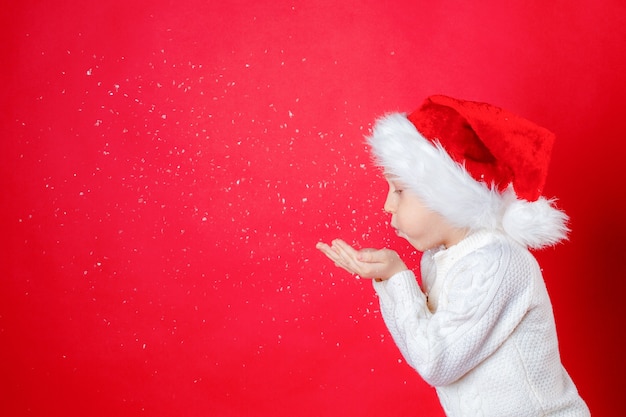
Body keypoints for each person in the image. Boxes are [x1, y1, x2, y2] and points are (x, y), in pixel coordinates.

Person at [316, 95, 590, 416]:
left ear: (444, 193)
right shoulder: (438, 259)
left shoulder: (495, 260)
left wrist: (397, 277)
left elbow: (436, 362)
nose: (387, 205)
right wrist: (388, 279)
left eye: (399, 191)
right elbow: (421, 351)